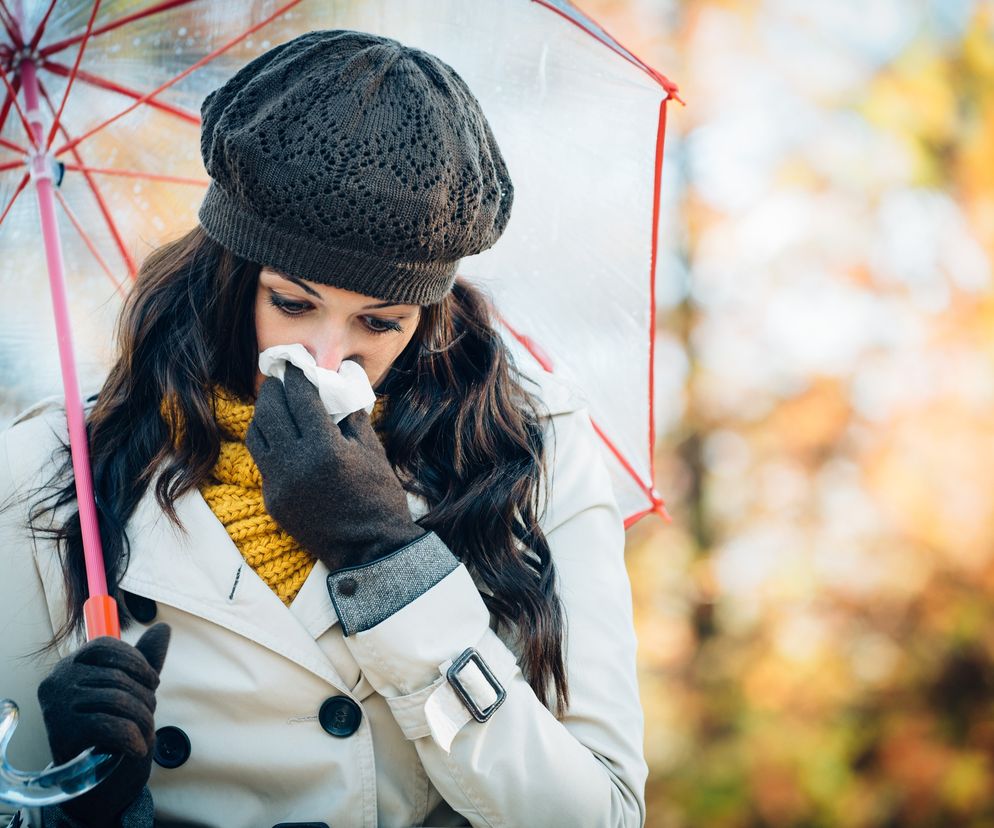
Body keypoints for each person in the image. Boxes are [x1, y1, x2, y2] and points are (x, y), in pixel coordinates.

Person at [0, 29, 647, 828]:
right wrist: (84, 802)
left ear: (427, 312)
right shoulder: (49, 467)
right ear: (235, 274)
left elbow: (600, 815)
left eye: (380, 321)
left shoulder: (527, 452)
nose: (326, 356)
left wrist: (386, 563)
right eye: (294, 303)